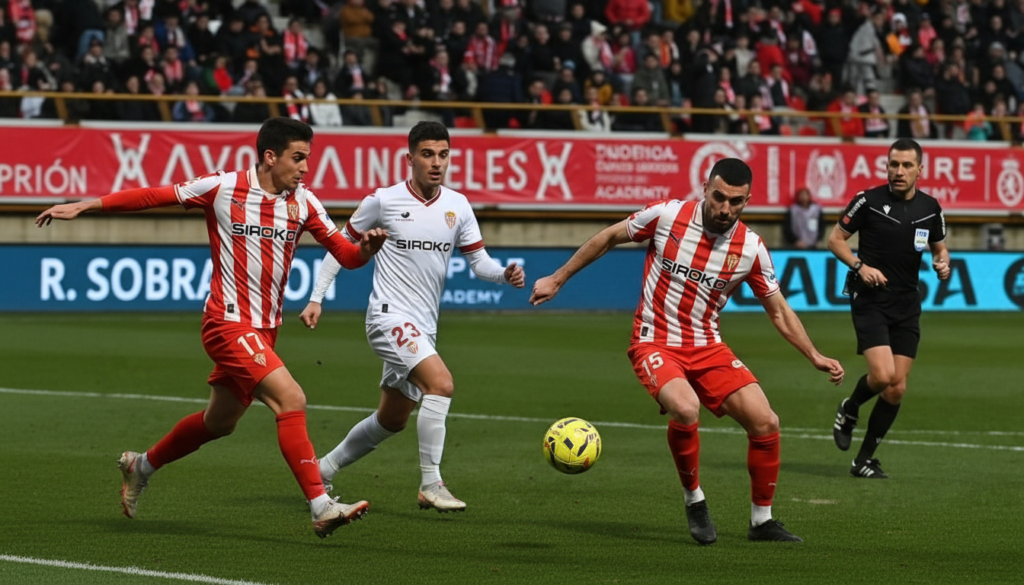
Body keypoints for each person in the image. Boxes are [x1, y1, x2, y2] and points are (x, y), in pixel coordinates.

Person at [34, 118, 387, 539]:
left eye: (307, 158)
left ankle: (140, 465)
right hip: (226, 322)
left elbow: (346, 255)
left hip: (264, 330)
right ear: (270, 156)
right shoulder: (222, 187)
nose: (305, 168)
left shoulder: (304, 203)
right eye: (298, 158)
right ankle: (321, 505)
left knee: (220, 422)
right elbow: (153, 195)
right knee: (291, 398)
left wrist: (366, 250)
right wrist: (86, 205)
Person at [530, 158, 845, 544]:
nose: (725, 208)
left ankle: (761, 521)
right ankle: (694, 499)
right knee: (686, 407)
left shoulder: (751, 248)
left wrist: (814, 354)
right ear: (705, 189)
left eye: (736, 201)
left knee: (766, 422)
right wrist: (558, 278)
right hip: (654, 340)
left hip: (708, 345)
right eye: (719, 197)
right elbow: (609, 237)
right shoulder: (668, 216)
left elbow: (778, 310)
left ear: (747, 201)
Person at [299, 121, 526, 513]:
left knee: (392, 419)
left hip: (423, 328)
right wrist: (316, 297)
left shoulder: (458, 205)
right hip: (388, 317)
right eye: (427, 154)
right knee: (441, 384)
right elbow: (340, 245)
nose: (436, 163)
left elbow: (479, 262)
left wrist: (504, 274)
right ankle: (431, 484)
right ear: (410, 159)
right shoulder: (383, 201)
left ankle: (322, 470)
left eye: (443, 155)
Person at [828, 139, 951, 479]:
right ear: (887, 166)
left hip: (907, 303)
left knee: (896, 388)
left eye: (907, 165)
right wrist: (860, 267)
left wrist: (943, 263)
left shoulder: (930, 207)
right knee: (882, 376)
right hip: (871, 298)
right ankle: (850, 407)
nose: (899, 171)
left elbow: (940, 248)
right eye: (894, 164)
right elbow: (835, 240)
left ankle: (863, 460)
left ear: (919, 170)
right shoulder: (867, 201)